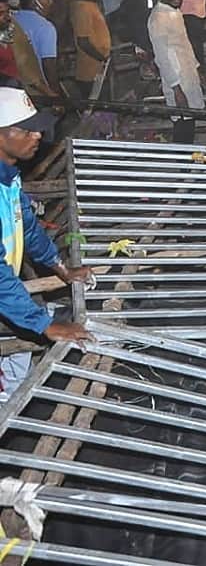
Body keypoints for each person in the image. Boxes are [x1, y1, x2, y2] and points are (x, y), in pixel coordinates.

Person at [0, 86, 93, 395]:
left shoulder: (9, 176)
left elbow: (26, 228)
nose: (37, 136)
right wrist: (44, 325)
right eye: (27, 131)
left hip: (5, 293)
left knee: (15, 369)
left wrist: (60, 266)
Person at [147, 0, 205, 144]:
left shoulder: (174, 12)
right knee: (182, 126)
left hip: (188, 74)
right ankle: (182, 165)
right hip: (176, 79)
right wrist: (176, 89)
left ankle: (187, 161)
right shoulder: (158, 18)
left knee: (190, 121)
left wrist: (197, 70)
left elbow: (185, 44)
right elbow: (162, 58)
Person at [66, 0, 111, 95]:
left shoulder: (89, 5)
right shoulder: (81, 8)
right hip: (91, 71)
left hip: (96, 69)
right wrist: (103, 60)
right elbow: (83, 42)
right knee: (98, 109)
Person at [12, 0, 62, 97]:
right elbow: (48, 64)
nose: (51, 2)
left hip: (16, 85)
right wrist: (55, 94)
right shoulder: (45, 27)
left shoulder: (12, 20)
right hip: (39, 90)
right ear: (36, 3)